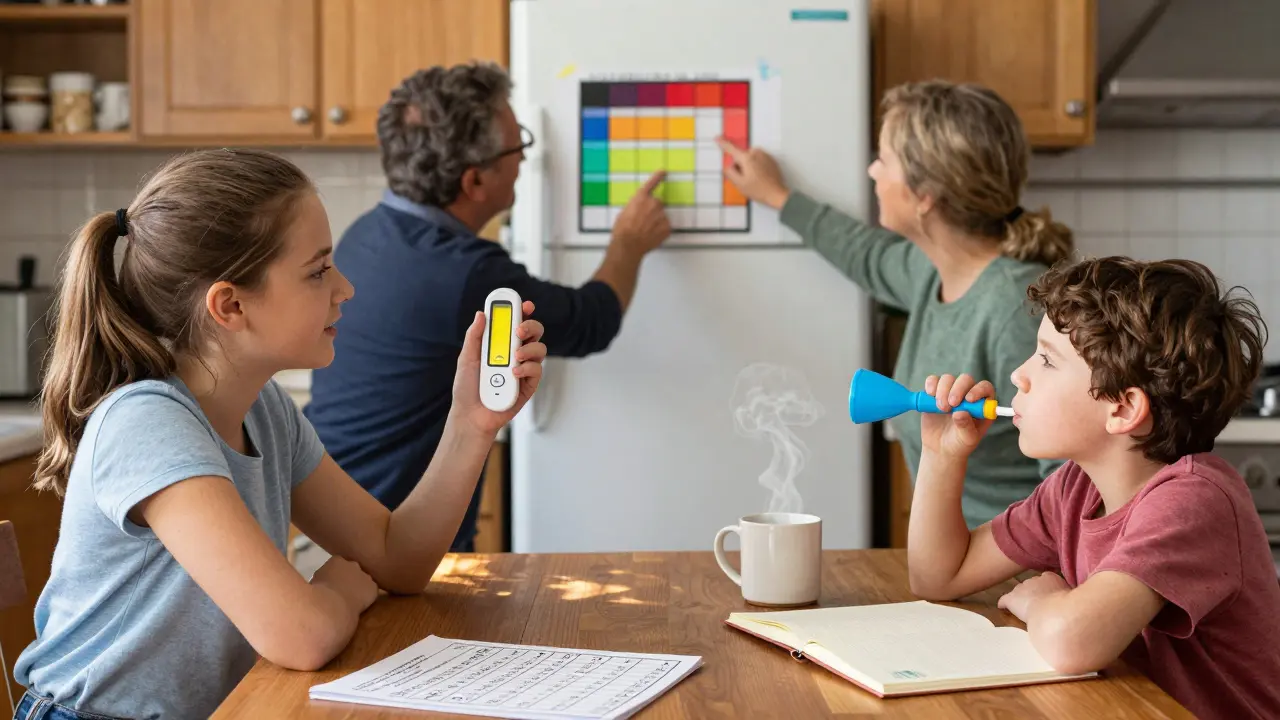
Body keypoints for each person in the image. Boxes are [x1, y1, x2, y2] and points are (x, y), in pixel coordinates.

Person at [11, 149, 548, 720]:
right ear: (231, 304)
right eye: (318, 271)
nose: (345, 289)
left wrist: (470, 423)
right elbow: (302, 635)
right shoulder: (147, 423)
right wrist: (336, 590)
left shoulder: (263, 408)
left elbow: (396, 558)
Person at [304, 62, 671, 551]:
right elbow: (591, 321)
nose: (523, 159)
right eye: (518, 144)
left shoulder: (368, 232)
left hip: (336, 528)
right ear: (475, 182)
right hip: (386, 549)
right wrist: (628, 243)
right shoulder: (465, 275)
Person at [908, 257, 1280, 719]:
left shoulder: (1194, 500)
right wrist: (942, 455)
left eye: (1046, 359)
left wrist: (1043, 602)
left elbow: (1072, 641)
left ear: (1122, 409)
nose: (1017, 375)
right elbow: (938, 576)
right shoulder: (1075, 488)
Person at [720, 80, 1072, 528]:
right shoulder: (930, 271)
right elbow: (863, 252)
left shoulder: (1015, 310)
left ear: (925, 196)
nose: (871, 172)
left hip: (1016, 578)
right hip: (961, 568)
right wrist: (778, 196)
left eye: (883, 159)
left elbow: (1073, 485)